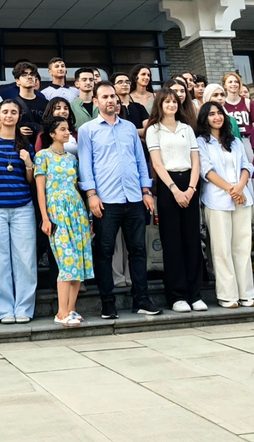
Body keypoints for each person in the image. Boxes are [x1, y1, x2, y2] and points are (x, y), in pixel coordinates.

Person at [79, 81, 160, 319]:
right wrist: (91, 195)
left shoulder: (129, 128)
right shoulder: (87, 130)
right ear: (96, 102)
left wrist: (146, 191)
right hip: (105, 200)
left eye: (113, 96)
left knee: (138, 250)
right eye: (105, 97)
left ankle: (141, 299)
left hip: (134, 197)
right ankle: (107, 302)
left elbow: (140, 160)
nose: (111, 100)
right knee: (104, 252)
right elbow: (85, 165)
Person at [0, 100, 37, 323]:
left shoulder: (26, 144)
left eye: (13, 112)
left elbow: (31, 180)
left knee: (25, 261)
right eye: (5, 112)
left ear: (19, 116)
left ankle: (23, 309)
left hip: (23, 208)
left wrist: (28, 162)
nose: (9, 115)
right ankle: (4, 311)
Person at [145, 88, 204, 313]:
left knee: (192, 239)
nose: (171, 105)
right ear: (159, 105)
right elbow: (157, 163)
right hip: (168, 185)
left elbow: (195, 161)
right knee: (172, 242)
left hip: (189, 182)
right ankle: (177, 296)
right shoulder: (154, 129)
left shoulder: (186, 128)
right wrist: (174, 190)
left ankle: (195, 294)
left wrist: (191, 188)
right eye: (167, 102)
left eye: (174, 102)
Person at [196, 100, 254, 308]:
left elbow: (247, 166)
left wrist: (240, 187)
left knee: (242, 247)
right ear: (205, 119)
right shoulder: (201, 142)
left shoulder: (235, 141)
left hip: (242, 198)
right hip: (217, 200)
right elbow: (206, 170)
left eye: (219, 113)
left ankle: (246, 293)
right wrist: (232, 190)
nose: (217, 117)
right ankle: (228, 295)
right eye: (211, 114)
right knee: (222, 249)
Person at [35, 117, 92, 327]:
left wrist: (87, 216)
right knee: (66, 261)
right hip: (56, 211)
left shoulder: (71, 158)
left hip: (77, 211)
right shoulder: (42, 156)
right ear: (52, 133)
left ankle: (71, 309)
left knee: (79, 260)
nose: (67, 132)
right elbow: (40, 190)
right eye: (62, 129)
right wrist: (45, 217)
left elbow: (76, 187)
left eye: (68, 129)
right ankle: (61, 312)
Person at [13, 61, 48, 140]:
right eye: (24, 75)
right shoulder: (12, 104)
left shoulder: (45, 103)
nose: (29, 77)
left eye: (32, 74)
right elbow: (4, 127)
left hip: (41, 143)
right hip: (20, 144)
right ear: (17, 81)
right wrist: (17, 132)